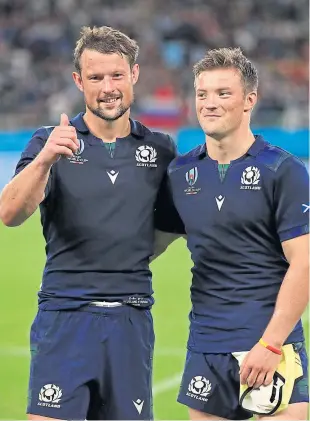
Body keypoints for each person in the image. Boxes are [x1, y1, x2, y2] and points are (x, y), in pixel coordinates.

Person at [0, 26, 184, 421]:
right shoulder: (49, 141)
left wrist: (128, 251)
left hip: (131, 319)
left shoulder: (160, 149)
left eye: (116, 75)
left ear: (133, 74)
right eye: (96, 77)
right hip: (65, 317)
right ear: (78, 81)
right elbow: (10, 214)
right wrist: (47, 159)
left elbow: (171, 227)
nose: (108, 87)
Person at [168, 47, 309, 420]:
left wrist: (271, 343)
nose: (209, 103)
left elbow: (305, 263)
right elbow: (145, 246)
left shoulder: (283, 169)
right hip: (207, 347)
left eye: (222, 93)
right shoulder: (180, 173)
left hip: (272, 346)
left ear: (250, 100)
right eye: (202, 94)